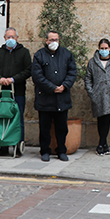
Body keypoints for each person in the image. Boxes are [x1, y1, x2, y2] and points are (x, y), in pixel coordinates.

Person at [31, 30, 78, 162]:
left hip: (62, 99)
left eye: (56, 40)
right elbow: (37, 76)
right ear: (46, 41)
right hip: (45, 99)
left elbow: (72, 72)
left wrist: (64, 86)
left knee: (62, 128)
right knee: (44, 127)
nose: (54, 42)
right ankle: (45, 151)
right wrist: (52, 88)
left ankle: (61, 150)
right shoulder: (39, 55)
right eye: (51, 40)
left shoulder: (67, 54)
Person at [0, 28, 32, 156]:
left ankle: (18, 146)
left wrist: (13, 79)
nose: (10, 39)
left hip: (17, 92)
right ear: (4, 38)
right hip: (1, 93)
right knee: (1, 119)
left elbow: (28, 70)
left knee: (17, 120)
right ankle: (2, 146)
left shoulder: (24, 52)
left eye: (13, 37)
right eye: (8, 37)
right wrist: (0, 79)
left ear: (17, 38)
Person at [85, 38, 110, 156]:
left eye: (106, 48)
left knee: (107, 119)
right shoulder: (93, 62)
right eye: (102, 48)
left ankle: (101, 144)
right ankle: (103, 144)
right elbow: (88, 78)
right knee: (100, 119)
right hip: (98, 95)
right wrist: (91, 92)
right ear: (98, 49)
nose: (104, 50)